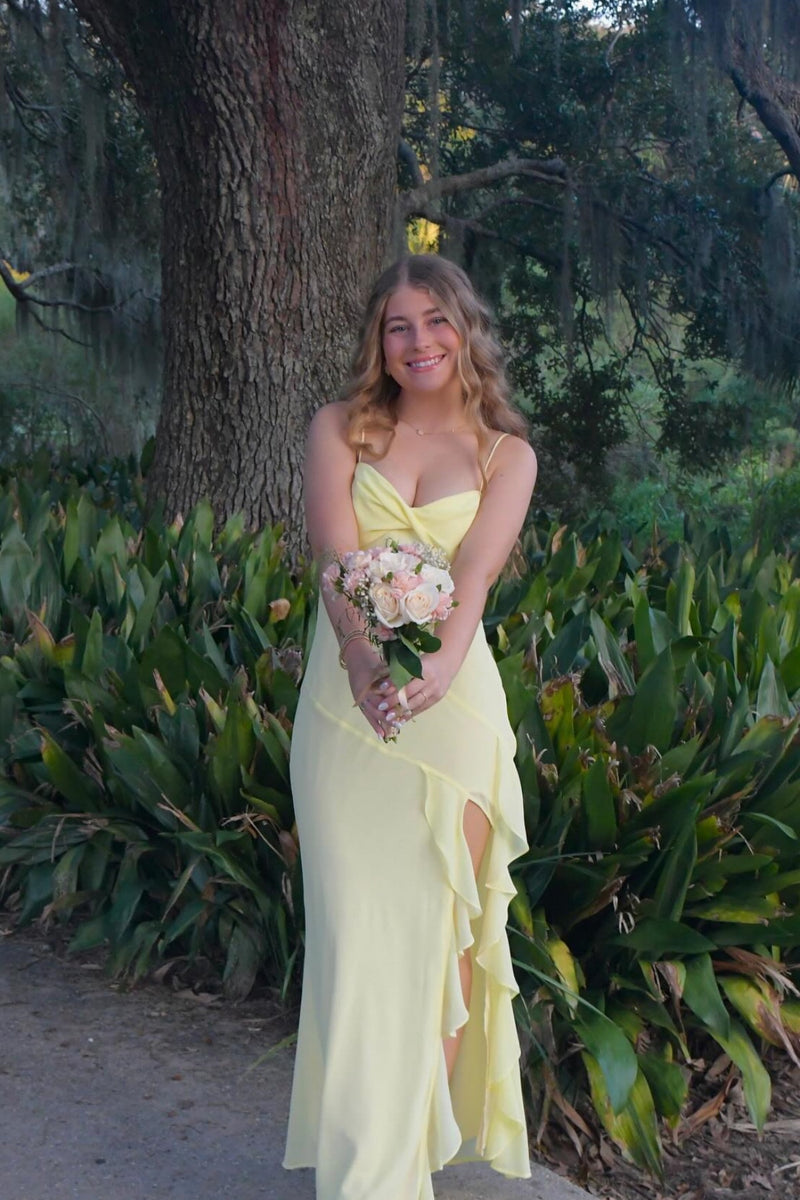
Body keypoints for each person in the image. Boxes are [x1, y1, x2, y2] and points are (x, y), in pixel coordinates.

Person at [282, 254, 538, 1200]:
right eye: (398, 325)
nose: (418, 341)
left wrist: (429, 668)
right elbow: (335, 556)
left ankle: (398, 1169)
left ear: (467, 329)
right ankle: (368, 1169)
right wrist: (360, 658)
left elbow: (473, 580)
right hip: (343, 713)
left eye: (436, 321)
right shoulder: (340, 429)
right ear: (377, 341)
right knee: (355, 942)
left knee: (438, 949)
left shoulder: (506, 456)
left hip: (451, 714)